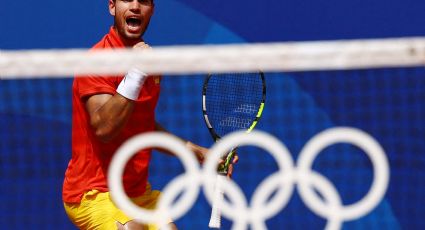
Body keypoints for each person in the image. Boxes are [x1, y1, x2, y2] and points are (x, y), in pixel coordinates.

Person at [62, 0, 236, 229]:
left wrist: (197, 152)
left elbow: (141, 125)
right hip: (93, 193)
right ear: (112, 7)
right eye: (127, 0)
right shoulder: (97, 62)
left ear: (151, 10)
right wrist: (136, 73)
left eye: (143, 1)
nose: (135, 6)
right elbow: (104, 129)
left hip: (137, 193)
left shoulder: (152, 65)